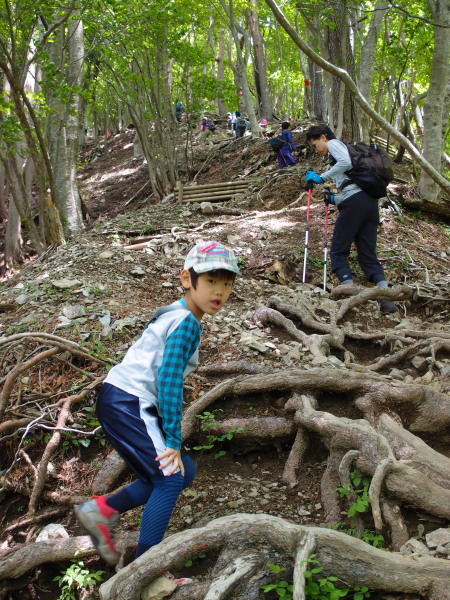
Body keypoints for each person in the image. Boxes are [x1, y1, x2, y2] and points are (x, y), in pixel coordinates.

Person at [75, 241, 240, 568]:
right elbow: (167, 381)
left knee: (184, 470)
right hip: (130, 401)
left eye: (227, 282)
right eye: (210, 280)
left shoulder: (176, 311)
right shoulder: (186, 322)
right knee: (169, 476)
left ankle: (101, 511)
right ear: (186, 279)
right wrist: (174, 440)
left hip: (122, 399)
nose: (219, 290)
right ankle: (146, 570)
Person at [305, 124, 397, 314]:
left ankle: (349, 295)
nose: (316, 150)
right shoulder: (348, 161)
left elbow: (345, 162)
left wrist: (321, 178)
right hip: (369, 204)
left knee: (338, 251)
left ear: (323, 137)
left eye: (315, 145)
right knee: (368, 255)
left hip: (356, 203)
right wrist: (333, 199)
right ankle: (386, 300)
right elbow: (352, 190)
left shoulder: (335, 144)